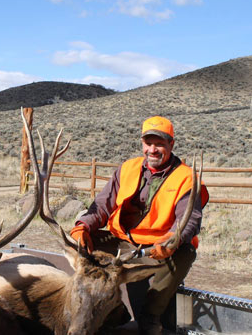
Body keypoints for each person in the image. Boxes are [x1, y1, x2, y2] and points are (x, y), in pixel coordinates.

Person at [70, 116, 208, 335]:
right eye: (148, 143)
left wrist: (172, 240)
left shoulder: (186, 178)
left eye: (160, 144)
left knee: (185, 252)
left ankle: (150, 313)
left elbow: (189, 219)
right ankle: (105, 307)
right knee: (78, 244)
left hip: (156, 249)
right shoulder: (127, 168)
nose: (152, 150)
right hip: (122, 242)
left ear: (171, 144)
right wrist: (82, 226)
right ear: (142, 144)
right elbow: (102, 205)